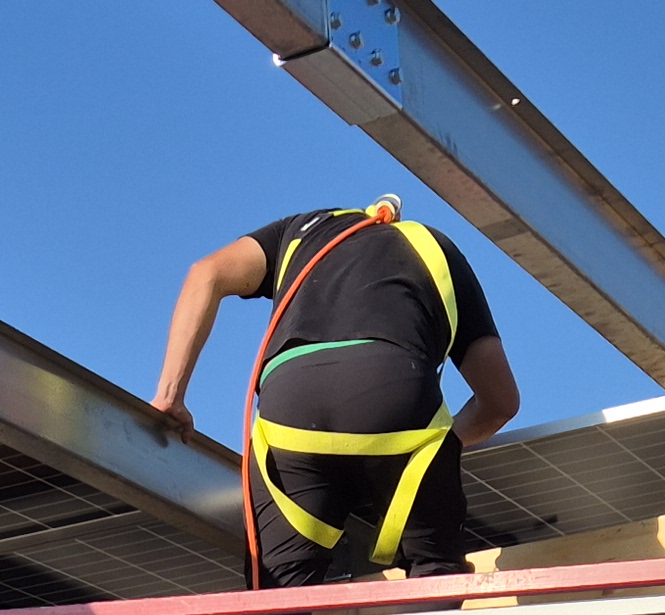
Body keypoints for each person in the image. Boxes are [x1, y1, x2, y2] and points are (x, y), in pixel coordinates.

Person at [147, 199, 522, 588]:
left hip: (291, 409)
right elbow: (500, 403)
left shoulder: (299, 231)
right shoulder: (436, 249)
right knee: (436, 573)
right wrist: (431, 451)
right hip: (393, 388)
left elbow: (205, 273)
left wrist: (170, 394)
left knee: (275, 604)